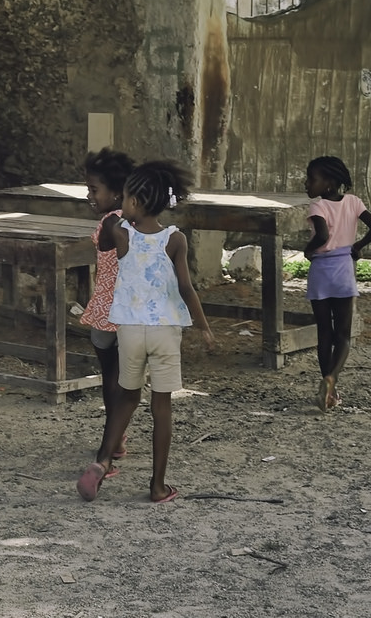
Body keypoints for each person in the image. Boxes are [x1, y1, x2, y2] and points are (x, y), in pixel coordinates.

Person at [77, 160, 216, 504]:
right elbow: (186, 288)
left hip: (129, 330)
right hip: (164, 332)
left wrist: (122, 216)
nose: (120, 203)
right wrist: (204, 327)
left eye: (124, 197)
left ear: (135, 203)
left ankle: (103, 460)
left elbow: (106, 243)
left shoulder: (120, 232)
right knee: (161, 407)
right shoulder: (176, 240)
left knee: (126, 397)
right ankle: (157, 486)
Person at [304, 156, 371, 412]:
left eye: (311, 179)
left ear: (327, 183)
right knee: (344, 335)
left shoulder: (317, 207)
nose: (306, 183)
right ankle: (332, 380)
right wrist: (356, 247)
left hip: (321, 271)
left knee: (324, 333)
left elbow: (323, 235)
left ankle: (328, 385)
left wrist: (308, 249)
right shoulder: (354, 202)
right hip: (344, 270)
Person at [79, 148, 137, 474]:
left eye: (93, 189)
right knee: (123, 381)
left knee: (110, 378)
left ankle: (112, 443)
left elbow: (112, 244)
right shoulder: (132, 221)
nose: (89, 195)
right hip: (128, 311)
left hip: (107, 312)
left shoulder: (111, 223)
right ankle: (117, 438)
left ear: (115, 192)